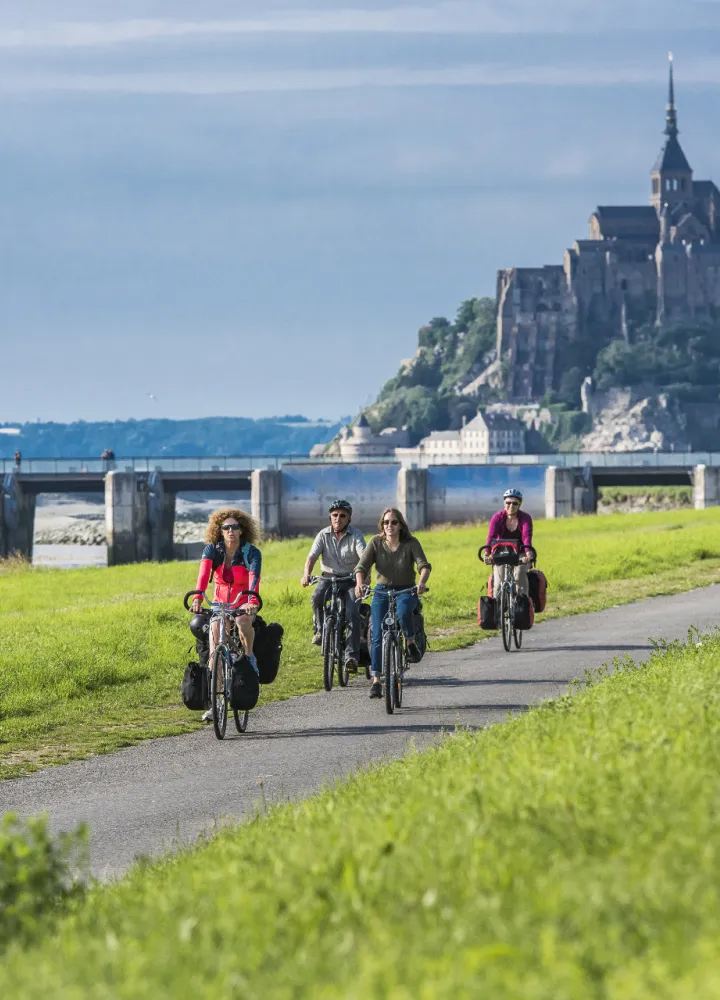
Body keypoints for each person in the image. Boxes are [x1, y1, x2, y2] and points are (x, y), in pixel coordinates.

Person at [192, 508, 262, 721]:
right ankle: (215, 704)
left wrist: (252, 601)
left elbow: (254, 579)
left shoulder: (251, 552)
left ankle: (249, 657)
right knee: (215, 640)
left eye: (235, 527)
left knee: (242, 622)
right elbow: (203, 576)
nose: (231, 531)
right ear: (219, 531)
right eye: (226, 528)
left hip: (243, 601)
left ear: (242, 530)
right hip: (219, 604)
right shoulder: (212, 551)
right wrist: (197, 597)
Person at [355, 507, 431, 699]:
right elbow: (361, 566)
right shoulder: (375, 543)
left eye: (393, 522)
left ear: (400, 525)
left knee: (404, 613)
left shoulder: (411, 543)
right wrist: (359, 584)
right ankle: (376, 681)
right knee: (377, 635)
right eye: (386, 522)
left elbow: (424, 565)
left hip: (406, 590)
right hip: (381, 592)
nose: (390, 526)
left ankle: (411, 642)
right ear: (382, 525)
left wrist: (421, 583)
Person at [300, 500, 366, 671]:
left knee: (352, 613)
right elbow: (311, 557)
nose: (338, 519)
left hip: (350, 579)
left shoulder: (356, 535)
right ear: (330, 517)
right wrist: (306, 574)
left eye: (342, 516)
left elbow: (364, 559)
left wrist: (362, 582)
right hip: (328, 578)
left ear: (349, 518)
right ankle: (321, 631)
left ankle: (351, 656)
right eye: (335, 515)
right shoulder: (323, 535)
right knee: (316, 598)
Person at [483, 488, 534, 599]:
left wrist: (528, 554)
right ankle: (498, 611)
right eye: (508, 503)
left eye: (515, 503)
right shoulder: (497, 518)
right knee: (498, 586)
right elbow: (491, 537)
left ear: (519, 504)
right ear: (504, 503)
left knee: (520, 574)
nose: (511, 506)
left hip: (520, 554)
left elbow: (526, 537)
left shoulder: (525, 518)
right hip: (501, 554)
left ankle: (522, 605)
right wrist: (486, 553)